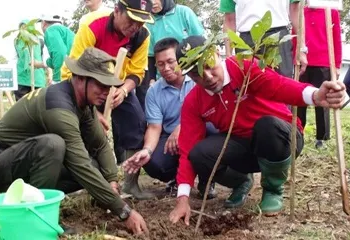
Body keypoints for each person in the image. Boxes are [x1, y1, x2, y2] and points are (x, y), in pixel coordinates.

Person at [140, 36, 345, 224]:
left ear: (217, 55)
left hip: (281, 139)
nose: (208, 76)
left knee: (267, 126)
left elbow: (280, 85)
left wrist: (316, 95)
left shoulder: (243, 68)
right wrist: (182, 200)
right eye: (197, 74)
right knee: (198, 155)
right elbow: (187, 151)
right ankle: (241, 181)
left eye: (210, 66)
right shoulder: (194, 101)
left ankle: (272, 189)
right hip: (242, 145)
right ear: (188, 76)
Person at [0, 47, 148, 235]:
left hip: (22, 164)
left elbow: (100, 144)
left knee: (95, 166)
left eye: (109, 86)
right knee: (54, 145)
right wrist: (124, 211)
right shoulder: (59, 106)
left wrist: (111, 182)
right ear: (80, 78)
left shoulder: (84, 104)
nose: (107, 92)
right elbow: (79, 164)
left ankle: (38, 204)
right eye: (101, 85)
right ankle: (36, 220)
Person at [61, 0, 155, 200]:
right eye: (132, 20)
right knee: (85, 129)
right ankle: (85, 182)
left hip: (118, 84)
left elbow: (137, 72)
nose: (135, 27)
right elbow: (75, 69)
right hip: (85, 85)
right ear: (117, 11)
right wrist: (93, 113)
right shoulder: (93, 26)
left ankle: (130, 184)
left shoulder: (143, 34)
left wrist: (123, 91)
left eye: (141, 22)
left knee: (136, 121)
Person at [123, 37, 216, 199]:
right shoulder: (154, 92)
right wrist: (147, 150)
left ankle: (206, 178)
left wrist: (182, 128)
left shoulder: (197, 79)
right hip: (171, 140)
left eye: (170, 61)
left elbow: (211, 112)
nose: (166, 68)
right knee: (154, 163)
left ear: (180, 60)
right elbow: (154, 127)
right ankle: (178, 177)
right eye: (160, 64)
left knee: (211, 131)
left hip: (201, 129)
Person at [136, 0, 204, 111]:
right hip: (165, 80)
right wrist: (152, 79)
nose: (152, 3)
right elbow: (150, 56)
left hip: (191, 76)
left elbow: (201, 43)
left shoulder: (184, 13)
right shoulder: (148, 23)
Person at [219, 0, 308, 78]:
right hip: (246, 42)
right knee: (248, 88)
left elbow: (296, 11)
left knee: (283, 87)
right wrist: (228, 55)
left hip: (278, 39)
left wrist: (302, 48)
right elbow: (229, 20)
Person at [296, 7, 342, 149]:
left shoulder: (331, 11)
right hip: (303, 63)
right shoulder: (299, 10)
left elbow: (336, 37)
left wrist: (338, 63)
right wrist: (295, 58)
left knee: (323, 103)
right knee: (298, 100)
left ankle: (321, 138)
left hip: (324, 62)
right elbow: (295, 35)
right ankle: (298, 133)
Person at [33, 15, 75, 83]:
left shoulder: (50, 31)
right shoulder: (67, 31)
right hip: (74, 74)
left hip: (65, 76)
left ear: (43, 23)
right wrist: (41, 64)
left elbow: (60, 54)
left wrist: (56, 79)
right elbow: (56, 58)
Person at [14, 20, 46, 101]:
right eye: (22, 27)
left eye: (26, 27)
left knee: (37, 106)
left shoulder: (40, 41)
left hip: (37, 79)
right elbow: (14, 59)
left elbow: (44, 59)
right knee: (21, 107)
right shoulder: (17, 42)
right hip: (22, 79)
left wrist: (50, 73)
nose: (24, 30)